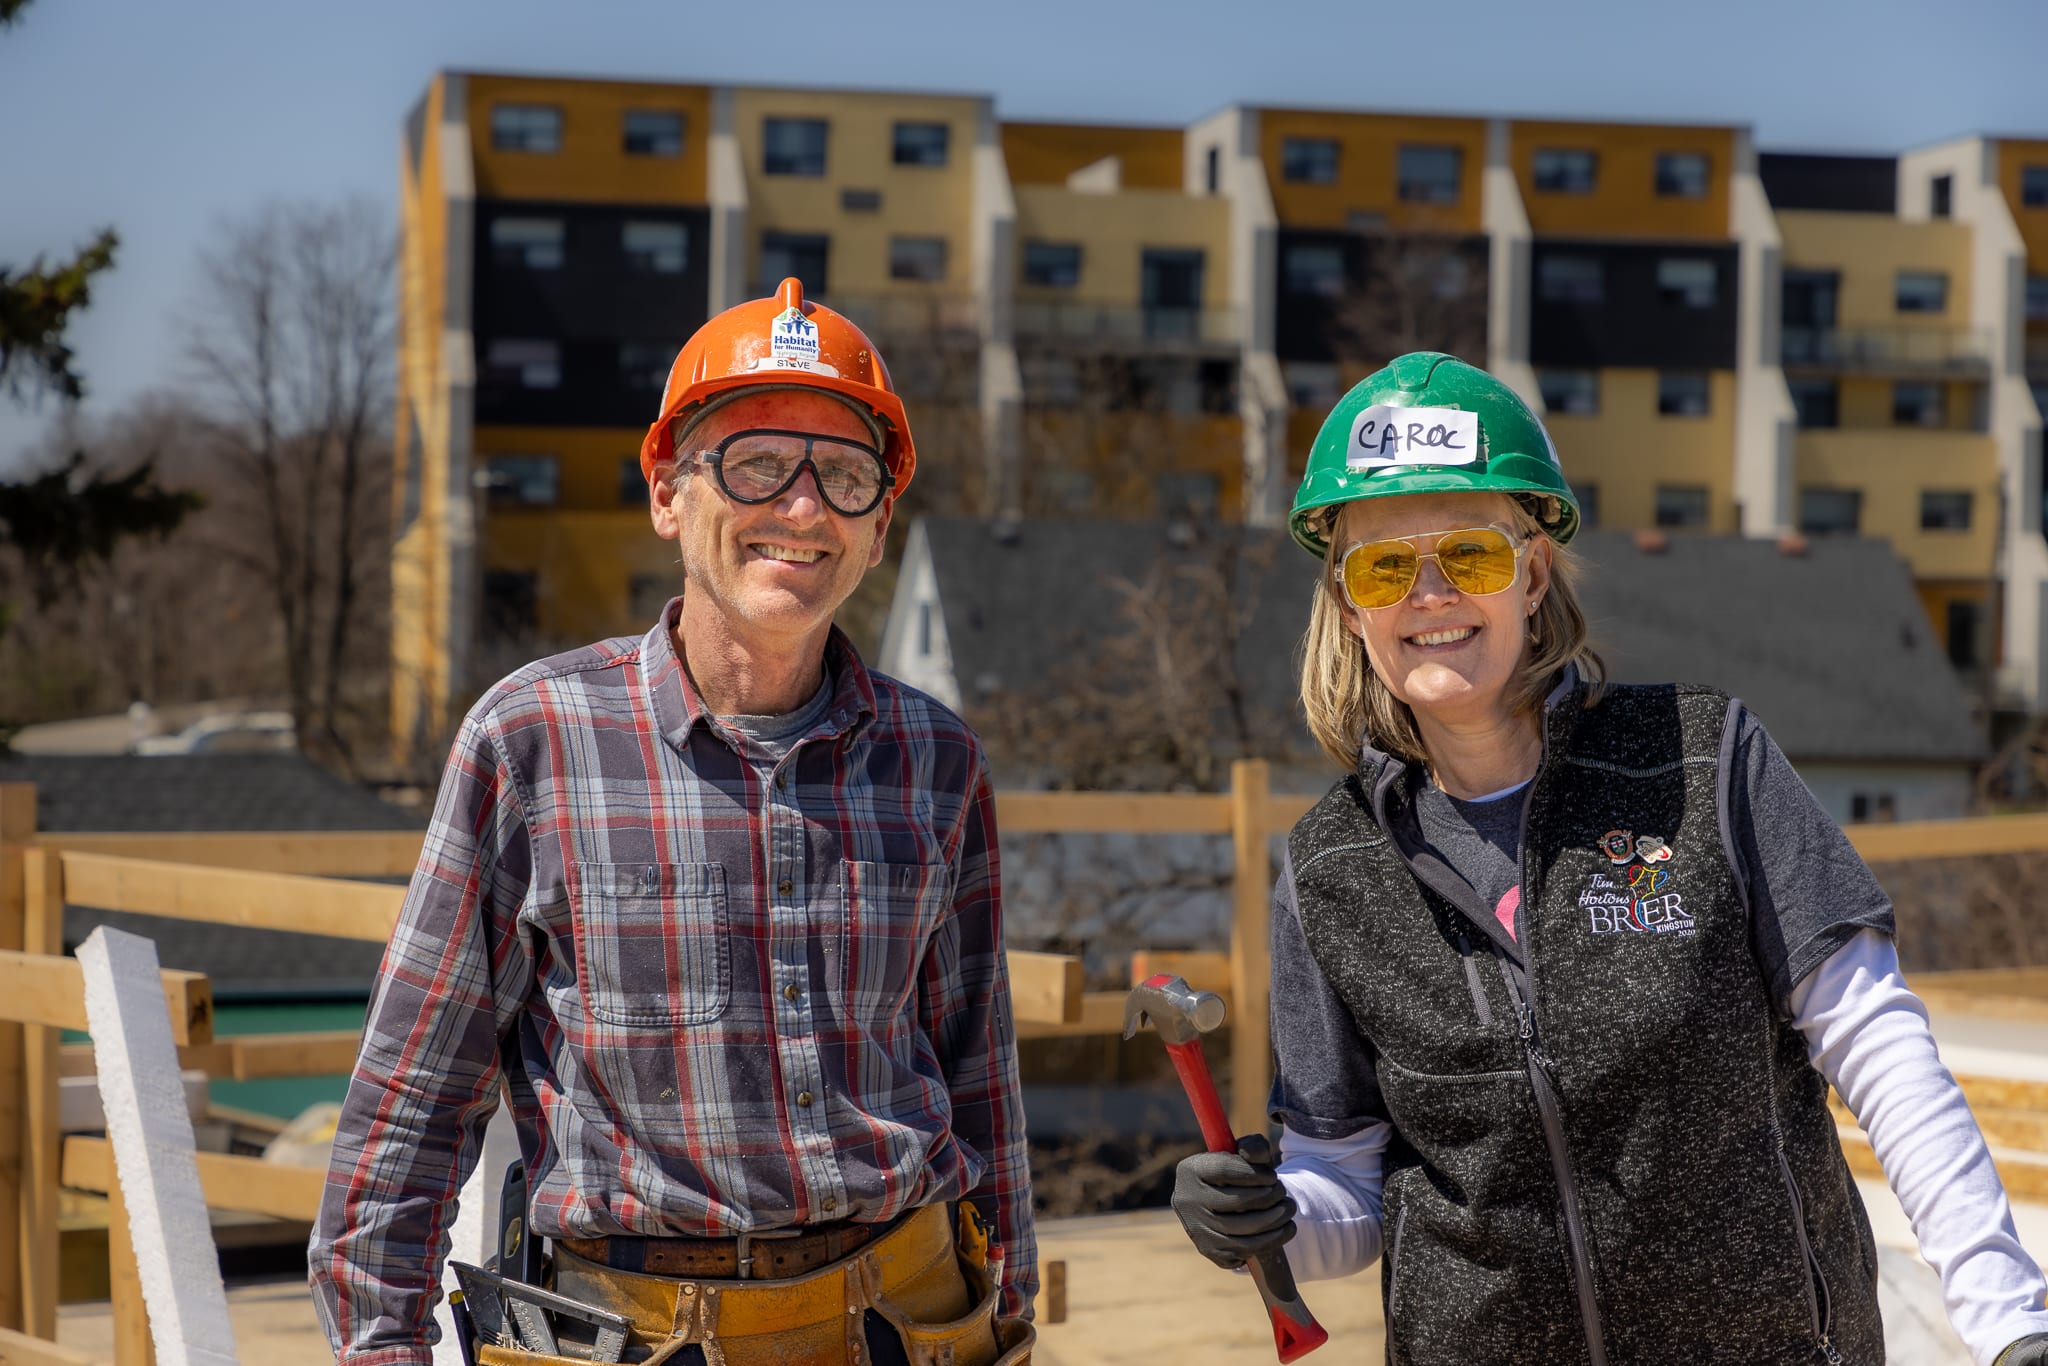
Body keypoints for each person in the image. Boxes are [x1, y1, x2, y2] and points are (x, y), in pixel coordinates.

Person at [1170, 351, 2048, 1365]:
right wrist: (1265, 1209)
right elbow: (1348, 1190)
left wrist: (2006, 1318)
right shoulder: (1330, 865)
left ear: (1532, 570)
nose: (1428, 593)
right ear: (1347, 601)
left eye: (1470, 554)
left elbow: (1877, 1045)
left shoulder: (1702, 759)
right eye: (1382, 566)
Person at [311, 279, 1035, 1365]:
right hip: (632, 1332)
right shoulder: (534, 739)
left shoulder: (936, 761)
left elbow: (981, 1083)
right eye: (754, 463)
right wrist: (380, 1346)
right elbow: (414, 1098)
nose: (802, 508)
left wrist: (1011, 1316)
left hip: (907, 1317)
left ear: (880, 524)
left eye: (843, 476)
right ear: (665, 491)